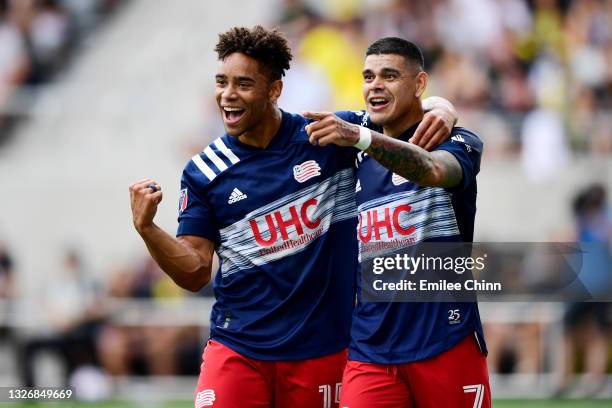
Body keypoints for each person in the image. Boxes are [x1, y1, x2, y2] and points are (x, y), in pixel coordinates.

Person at [129, 26, 456, 408]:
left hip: (323, 351)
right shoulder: (204, 171)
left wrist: (442, 108)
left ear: (274, 90)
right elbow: (195, 271)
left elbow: (402, 114)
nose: (227, 95)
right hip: (238, 348)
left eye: (243, 84)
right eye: (221, 82)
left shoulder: (328, 136)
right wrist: (148, 229)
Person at [305, 37, 491, 407]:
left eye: (390, 75)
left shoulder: (457, 140)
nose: (375, 84)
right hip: (370, 350)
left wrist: (363, 137)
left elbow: (433, 170)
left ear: (419, 84)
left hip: (446, 339)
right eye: (368, 76)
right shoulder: (354, 146)